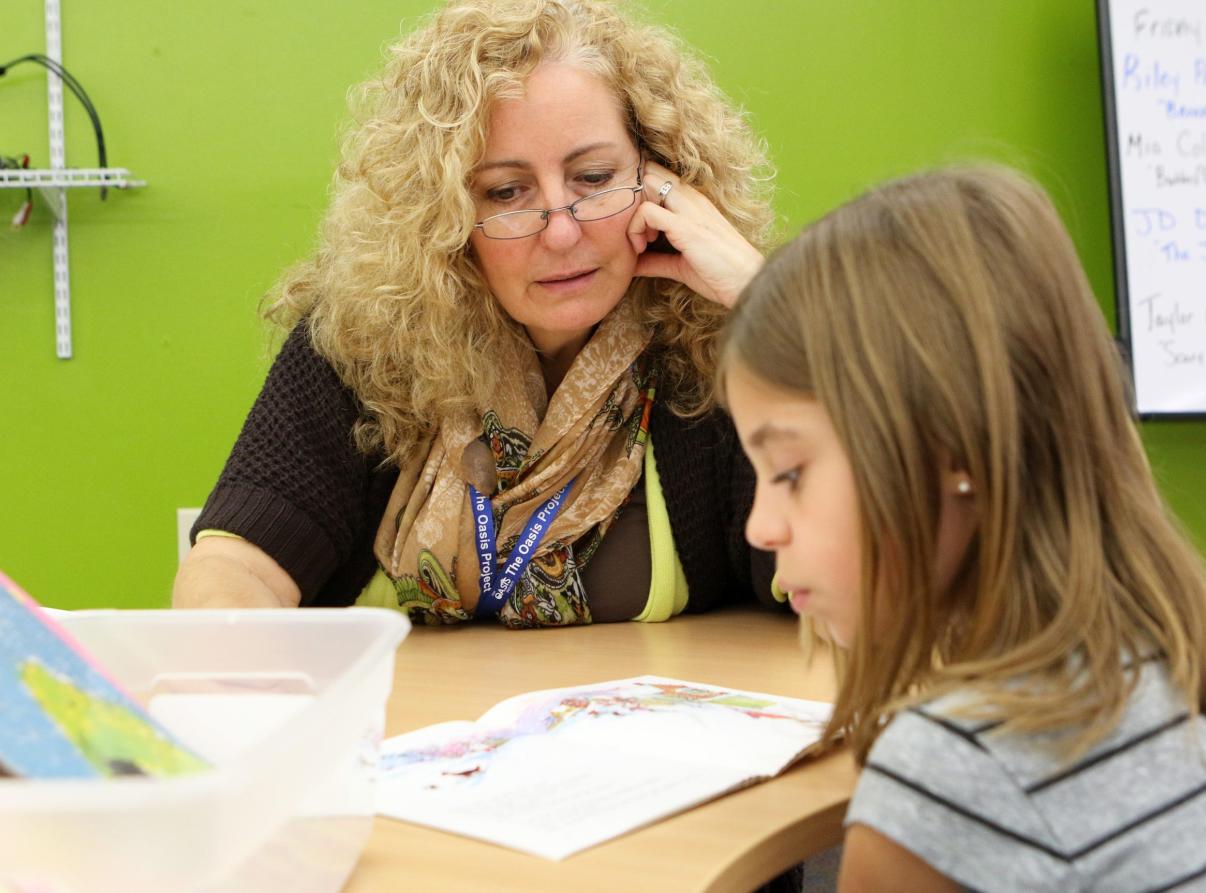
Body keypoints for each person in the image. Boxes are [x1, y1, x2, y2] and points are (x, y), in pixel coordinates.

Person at [172, 0, 785, 630]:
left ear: (660, 179)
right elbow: (236, 564)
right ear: (444, 216)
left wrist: (767, 300)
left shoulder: (715, 340)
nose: (562, 232)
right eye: (506, 192)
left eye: (594, 178)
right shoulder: (366, 339)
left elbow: (859, 556)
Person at [721, 165, 1206, 891]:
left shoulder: (949, 776)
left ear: (955, 453)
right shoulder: (1187, 660)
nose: (760, 527)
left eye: (790, 473)